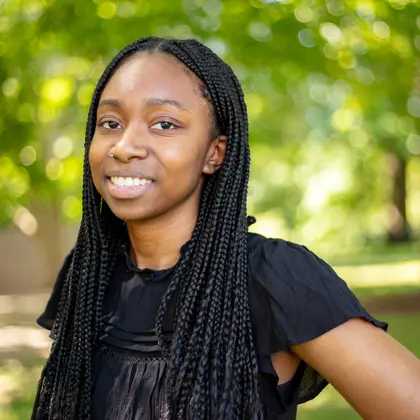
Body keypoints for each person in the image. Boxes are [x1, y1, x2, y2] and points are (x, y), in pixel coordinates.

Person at [33, 36, 420, 420]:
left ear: (214, 153)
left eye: (164, 124)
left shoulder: (271, 276)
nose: (124, 146)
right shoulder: (90, 275)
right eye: (110, 123)